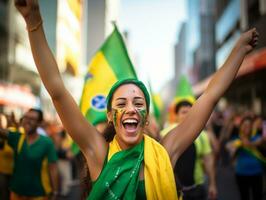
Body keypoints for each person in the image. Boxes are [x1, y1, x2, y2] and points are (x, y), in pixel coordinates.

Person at [14, 0, 259, 199]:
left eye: (138, 103)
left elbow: (209, 98)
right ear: (110, 116)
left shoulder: (166, 151)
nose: (130, 108)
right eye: (121, 104)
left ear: (146, 116)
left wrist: (238, 50)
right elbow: (57, 91)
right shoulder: (98, 152)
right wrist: (33, 22)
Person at [162, 100, 217, 200]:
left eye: (190, 112)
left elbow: (208, 159)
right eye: (183, 112)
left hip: (197, 188)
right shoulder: (165, 135)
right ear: (177, 115)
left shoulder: (202, 135)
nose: (187, 115)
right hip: (173, 191)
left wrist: (212, 184)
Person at [0, 108, 59, 200]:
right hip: (16, 193)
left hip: (38, 195)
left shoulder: (47, 143)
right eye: (26, 117)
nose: (27, 121)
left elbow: (53, 168)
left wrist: (55, 192)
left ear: (39, 123)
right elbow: (2, 132)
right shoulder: (17, 138)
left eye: (32, 119)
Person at [226, 116, 265, 200]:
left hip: (256, 172)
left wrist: (248, 143)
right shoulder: (236, 139)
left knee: (258, 196)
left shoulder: (256, 137)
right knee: (244, 197)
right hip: (241, 173)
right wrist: (235, 146)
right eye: (244, 125)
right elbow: (229, 150)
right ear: (241, 126)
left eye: (249, 125)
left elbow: (260, 142)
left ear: (252, 127)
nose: (246, 127)